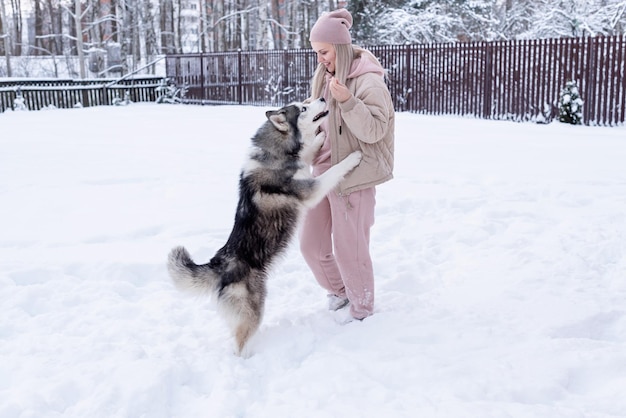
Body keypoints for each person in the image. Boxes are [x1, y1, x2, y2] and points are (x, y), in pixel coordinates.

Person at [299, 8, 395, 322]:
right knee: (311, 245)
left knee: (350, 250)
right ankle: (340, 292)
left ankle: (362, 311)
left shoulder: (368, 81)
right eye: (316, 52)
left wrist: (349, 102)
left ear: (339, 47)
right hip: (321, 176)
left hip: (354, 176)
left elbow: (375, 130)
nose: (320, 59)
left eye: (323, 52)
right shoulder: (323, 77)